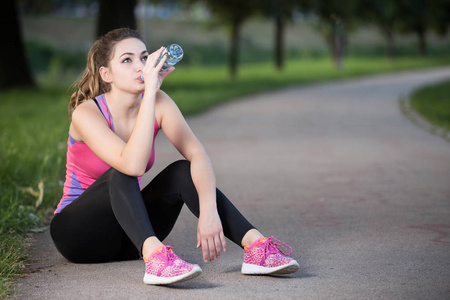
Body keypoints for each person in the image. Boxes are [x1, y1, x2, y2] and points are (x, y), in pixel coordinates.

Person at [50, 28, 299, 285]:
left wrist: (208, 210)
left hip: (129, 238)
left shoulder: (159, 102)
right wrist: (148, 96)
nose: (140, 66)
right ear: (106, 74)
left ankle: (255, 247)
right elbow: (131, 165)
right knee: (121, 171)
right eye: (127, 60)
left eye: (144, 58)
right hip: (77, 235)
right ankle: (156, 259)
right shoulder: (87, 113)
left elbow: (198, 154)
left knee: (182, 169)